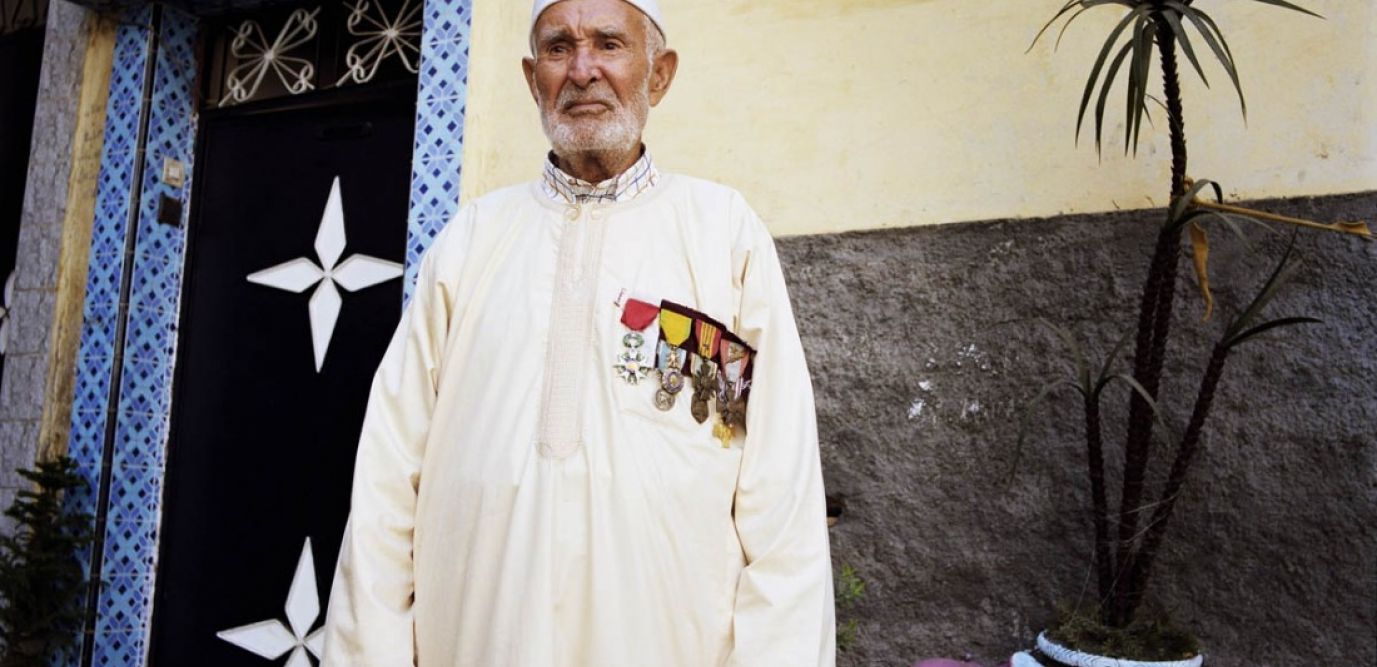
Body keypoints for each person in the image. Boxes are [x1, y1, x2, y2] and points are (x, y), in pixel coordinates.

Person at [319, 0, 835, 664]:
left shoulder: (722, 232)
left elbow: (779, 486)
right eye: (559, 48)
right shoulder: (471, 239)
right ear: (534, 80)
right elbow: (390, 477)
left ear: (659, 74)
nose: (583, 70)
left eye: (610, 44)